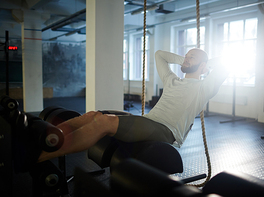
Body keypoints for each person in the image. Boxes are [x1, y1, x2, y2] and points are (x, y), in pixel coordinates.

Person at [38, 48, 229, 162]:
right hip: (148, 121)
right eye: (186, 55)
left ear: (204, 66)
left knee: (103, 122)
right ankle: (46, 139)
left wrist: (203, 63)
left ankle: (41, 155)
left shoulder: (204, 87)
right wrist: (187, 60)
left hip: (166, 131)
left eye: (191, 57)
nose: (187, 58)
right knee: (92, 116)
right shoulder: (172, 80)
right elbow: (159, 55)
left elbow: (224, 65)